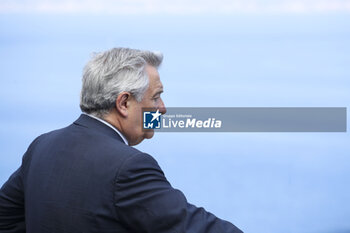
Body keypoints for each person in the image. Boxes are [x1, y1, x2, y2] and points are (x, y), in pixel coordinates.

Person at [0, 48, 243, 233]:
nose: (163, 109)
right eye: (156, 97)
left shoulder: (42, 146)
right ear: (124, 103)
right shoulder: (128, 167)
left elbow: (5, 218)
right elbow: (193, 227)